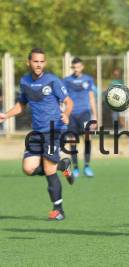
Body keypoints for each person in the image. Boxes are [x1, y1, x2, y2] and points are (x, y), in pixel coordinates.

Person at [0, 48, 74, 220]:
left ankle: (58, 210)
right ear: (29, 62)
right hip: (37, 132)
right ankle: (62, 165)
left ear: (45, 63)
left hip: (53, 129)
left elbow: (68, 102)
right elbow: (21, 105)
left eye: (42, 61)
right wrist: (6, 115)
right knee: (28, 168)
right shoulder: (25, 81)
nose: (39, 64)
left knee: (49, 169)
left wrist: (66, 114)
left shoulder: (52, 81)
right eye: (35, 61)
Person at [63, 57, 97, 178]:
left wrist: (95, 116)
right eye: (74, 67)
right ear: (72, 68)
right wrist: (64, 114)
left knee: (87, 138)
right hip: (71, 115)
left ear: (82, 67)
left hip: (85, 113)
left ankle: (87, 165)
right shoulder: (66, 81)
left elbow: (92, 97)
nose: (76, 70)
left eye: (78, 67)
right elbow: (63, 99)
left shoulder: (88, 80)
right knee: (72, 141)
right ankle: (76, 167)